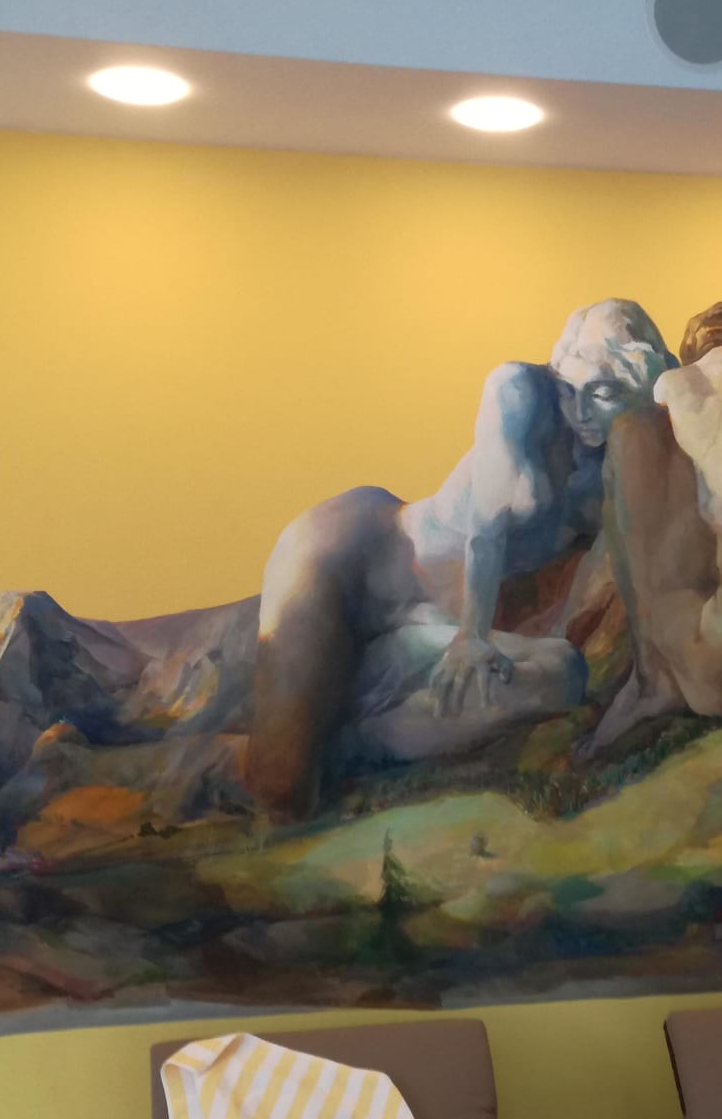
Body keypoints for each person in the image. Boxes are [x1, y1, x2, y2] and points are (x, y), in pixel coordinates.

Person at [246, 300, 676, 821]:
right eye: (569, 389)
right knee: (282, 787)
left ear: (640, 386)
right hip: (356, 557)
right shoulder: (518, 390)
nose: (579, 410)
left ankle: (358, 740)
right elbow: (486, 527)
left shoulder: (630, 454)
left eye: (602, 392)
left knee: (564, 674)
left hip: (426, 624)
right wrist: (471, 636)